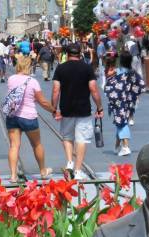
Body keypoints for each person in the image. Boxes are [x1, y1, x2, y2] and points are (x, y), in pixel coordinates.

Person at [51, 42, 104, 180]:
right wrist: (99, 107)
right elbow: (93, 89)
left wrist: (54, 108)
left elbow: (56, 90)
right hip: (83, 109)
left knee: (67, 137)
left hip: (66, 109)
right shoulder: (87, 68)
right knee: (82, 139)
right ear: (80, 53)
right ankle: (78, 170)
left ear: (67, 54)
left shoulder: (60, 68)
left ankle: (69, 162)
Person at [5, 54, 55, 183]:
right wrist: (54, 110)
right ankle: (43, 171)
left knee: (14, 146)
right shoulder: (33, 81)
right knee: (36, 144)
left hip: (12, 116)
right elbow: (43, 102)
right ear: (29, 66)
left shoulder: (11, 79)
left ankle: (13, 175)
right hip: (28, 117)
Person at [104, 51, 144, 156]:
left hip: (118, 101)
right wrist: (134, 96)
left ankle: (125, 146)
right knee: (121, 121)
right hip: (129, 101)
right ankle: (117, 146)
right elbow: (141, 85)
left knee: (121, 123)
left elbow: (107, 80)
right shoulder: (133, 72)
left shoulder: (117, 72)